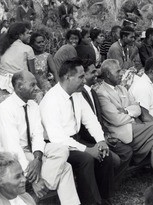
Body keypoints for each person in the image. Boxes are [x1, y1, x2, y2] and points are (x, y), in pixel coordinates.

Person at [0, 70, 80, 204]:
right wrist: (34, 178)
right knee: (65, 167)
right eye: (32, 85)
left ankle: (42, 186)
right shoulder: (6, 110)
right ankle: (39, 184)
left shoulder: (33, 105)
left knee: (62, 150)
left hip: (31, 150)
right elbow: (12, 149)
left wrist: (38, 158)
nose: (37, 88)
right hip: (10, 155)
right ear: (19, 87)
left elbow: (37, 135)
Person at [39, 58, 114, 205]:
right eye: (80, 77)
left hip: (75, 140)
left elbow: (90, 119)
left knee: (105, 154)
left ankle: (105, 198)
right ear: (68, 77)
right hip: (57, 147)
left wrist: (100, 140)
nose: (84, 80)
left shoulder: (77, 94)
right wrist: (87, 149)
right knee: (85, 159)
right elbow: (57, 138)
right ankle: (92, 202)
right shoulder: (51, 100)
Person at [81, 63, 133, 180]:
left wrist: (106, 135)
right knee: (113, 158)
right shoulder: (82, 94)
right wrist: (101, 139)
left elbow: (98, 119)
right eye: (93, 72)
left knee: (126, 151)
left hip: (102, 135)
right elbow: (83, 127)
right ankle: (104, 188)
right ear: (83, 75)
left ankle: (112, 184)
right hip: (89, 140)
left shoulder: (93, 92)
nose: (97, 74)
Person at [0, 22, 35, 93]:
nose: (30, 35)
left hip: (1, 83)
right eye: (28, 33)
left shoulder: (4, 47)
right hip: (18, 85)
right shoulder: (27, 49)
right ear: (20, 35)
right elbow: (32, 73)